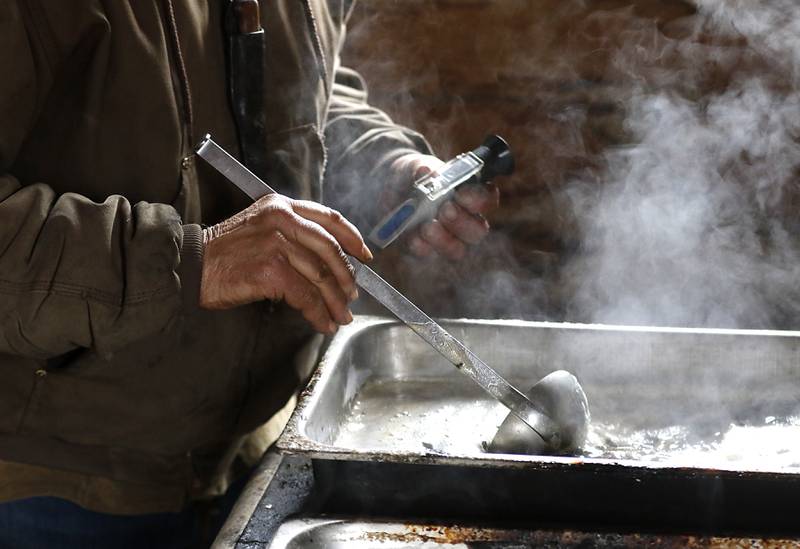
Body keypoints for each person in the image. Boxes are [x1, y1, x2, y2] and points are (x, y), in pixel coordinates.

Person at [0, 1, 499, 546]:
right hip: (53, 481)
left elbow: (306, 93)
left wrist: (380, 164)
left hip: (255, 452)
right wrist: (193, 261)